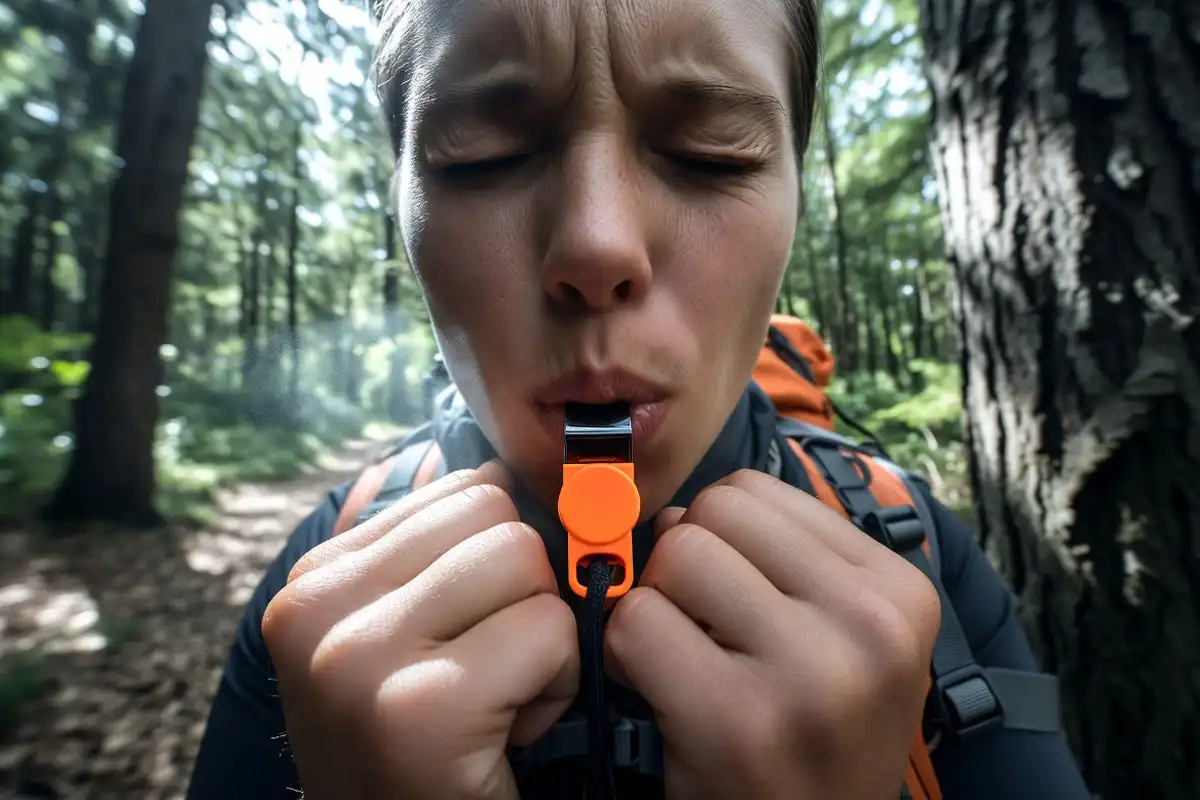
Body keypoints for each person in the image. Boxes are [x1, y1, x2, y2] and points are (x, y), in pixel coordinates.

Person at [186, 0, 1092, 797]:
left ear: (795, 192)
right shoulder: (322, 591)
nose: (597, 245)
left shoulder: (913, 553)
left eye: (713, 155)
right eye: (479, 157)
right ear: (402, 196)